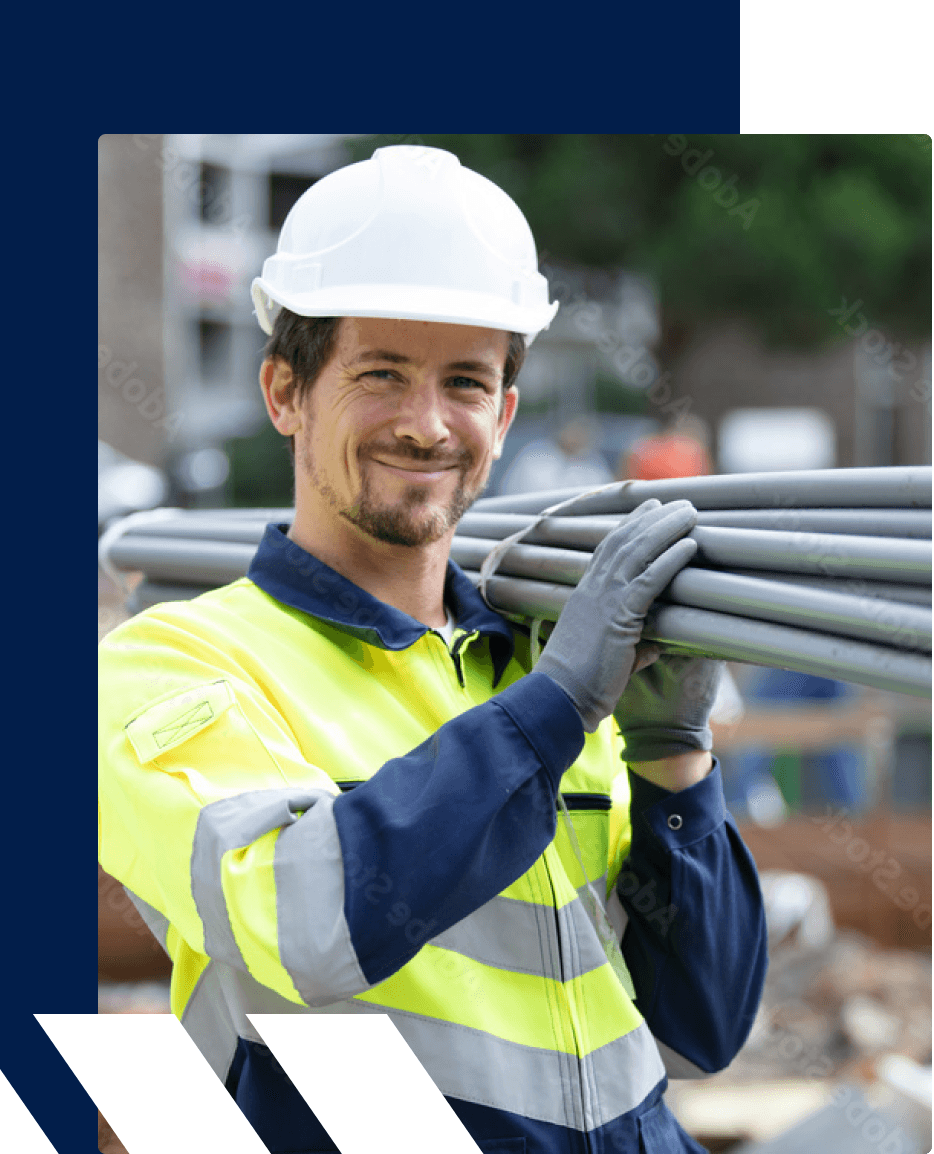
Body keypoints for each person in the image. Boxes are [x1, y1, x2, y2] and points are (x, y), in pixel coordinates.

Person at [98, 145, 768, 1153]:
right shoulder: (177, 664)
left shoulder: (548, 667)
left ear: (501, 415)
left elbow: (704, 1023)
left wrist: (673, 757)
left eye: (464, 381)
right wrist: (556, 708)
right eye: (380, 374)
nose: (425, 423)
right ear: (284, 391)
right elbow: (314, 915)